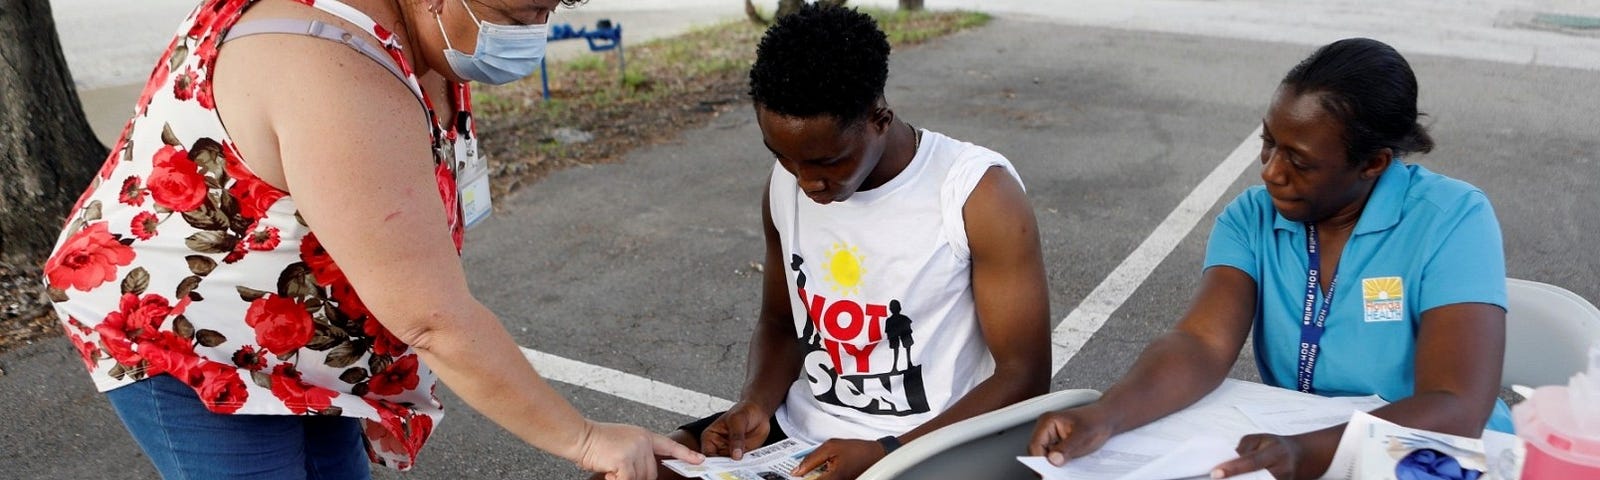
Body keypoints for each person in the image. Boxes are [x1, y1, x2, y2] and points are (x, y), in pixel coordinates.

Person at [40, 0, 702, 478]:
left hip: (293, 341)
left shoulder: (428, 33)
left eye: (550, 9)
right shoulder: (330, 66)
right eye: (525, 12)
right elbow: (432, 319)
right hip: (189, 337)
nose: (538, 29)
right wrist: (585, 439)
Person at [1028, 38, 1511, 479]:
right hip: (1300, 445)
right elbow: (1200, 343)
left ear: (1373, 164)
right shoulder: (1251, 218)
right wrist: (1106, 415)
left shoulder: (1452, 218)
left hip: (1432, 457)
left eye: (1299, 162)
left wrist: (1308, 453)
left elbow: (1456, 405)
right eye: (1268, 143)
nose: (1271, 173)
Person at [651, 5, 1053, 480]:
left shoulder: (976, 194)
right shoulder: (785, 186)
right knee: (631, 470)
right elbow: (782, 324)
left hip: (928, 444)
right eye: (782, 155)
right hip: (801, 436)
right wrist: (756, 402)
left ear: (879, 117)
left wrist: (887, 450)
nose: (806, 182)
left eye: (828, 161)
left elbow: (1023, 376)